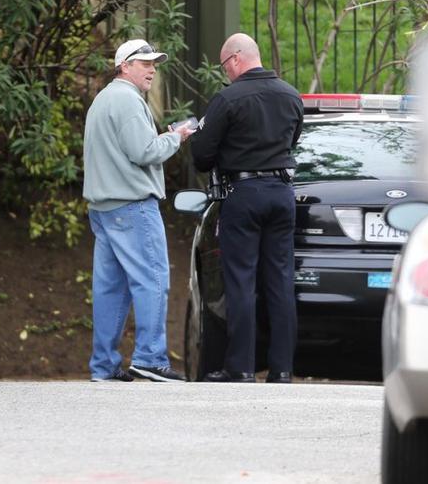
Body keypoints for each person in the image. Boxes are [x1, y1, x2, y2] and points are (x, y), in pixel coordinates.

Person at [189, 32, 304, 383]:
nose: (225, 73)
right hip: (282, 194)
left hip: (245, 192)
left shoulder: (228, 99)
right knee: (281, 281)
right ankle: (282, 369)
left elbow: (201, 156)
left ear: (236, 59)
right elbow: (294, 139)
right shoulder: (291, 95)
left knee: (241, 281)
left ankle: (240, 367)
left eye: (225, 66)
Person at [83, 39, 194, 383]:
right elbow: (144, 151)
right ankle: (149, 357)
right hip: (132, 207)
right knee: (152, 280)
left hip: (103, 209)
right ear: (125, 66)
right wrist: (176, 137)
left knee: (110, 289)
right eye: (145, 63)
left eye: (154, 64)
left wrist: (163, 137)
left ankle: (104, 365)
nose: (152, 69)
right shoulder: (128, 100)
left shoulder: (103, 99)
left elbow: (127, 149)